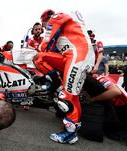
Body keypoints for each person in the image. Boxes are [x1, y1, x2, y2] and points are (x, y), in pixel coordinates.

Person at [33, 9, 95, 144]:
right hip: (73, 56)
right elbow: (47, 52)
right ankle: (57, 83)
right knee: (39, 58)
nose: (43, 29)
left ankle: (70, 134)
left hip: (78, 56)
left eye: (43, 26)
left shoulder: (56, 17)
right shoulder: (66, 23)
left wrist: (41, 44)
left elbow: (45, 44)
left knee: (66, 97)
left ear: (45, 20)